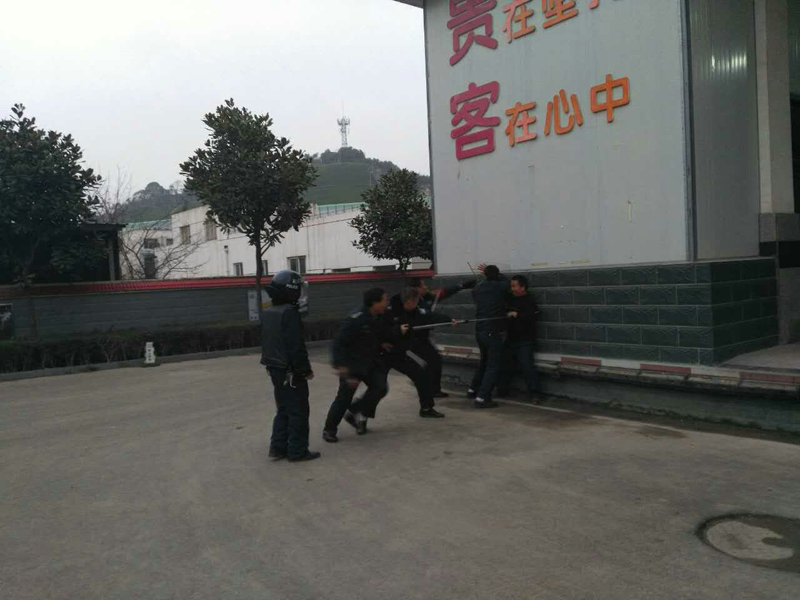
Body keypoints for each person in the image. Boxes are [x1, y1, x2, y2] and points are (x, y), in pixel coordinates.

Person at [260, 270, 320, 462]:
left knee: (283, 409)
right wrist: (305, 370)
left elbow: (268, 342)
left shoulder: (269, 311)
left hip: (275, 369)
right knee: (299, 411)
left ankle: (278, 448)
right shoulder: (290, 313)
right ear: (292, 290)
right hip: (291, 371)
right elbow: (296, 347)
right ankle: (297, 451)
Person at [323, 288, 391, 442]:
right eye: (384, 300)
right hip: (351, 364)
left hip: (369, 362)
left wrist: (381, 343)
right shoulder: (355, 319)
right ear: (374, 303)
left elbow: (373, 335)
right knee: (344, 398)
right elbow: (337, 343)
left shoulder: (378, 316)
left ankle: (354, 411)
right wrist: (340, 366)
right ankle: (329, 430)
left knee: (380, 388)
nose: (386, 303)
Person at [384, 286, 458, 418]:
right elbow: (381, 330)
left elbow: (430, 315)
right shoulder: (389, 312)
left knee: (427, 369)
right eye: (416, 302)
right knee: (378, 387)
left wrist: (448, 320)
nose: (418, 304)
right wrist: (397, 330)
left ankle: (427, 406)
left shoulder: (417, 309)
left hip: (414, 343)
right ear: (409, 302)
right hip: (393, 350)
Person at [408, 276, 477, 398]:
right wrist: (448, 320)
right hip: (413, 338)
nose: (426, 287)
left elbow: (443, 292)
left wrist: (462, 286)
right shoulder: (412, 302)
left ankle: (431, 389)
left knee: (433, 361)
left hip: (422, 337)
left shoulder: (426, 297)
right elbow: (428, 315)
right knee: (433, 361)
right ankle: (431, 390)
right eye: (423, 285)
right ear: (416, 289)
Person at [468, 264, 511, 408]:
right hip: (493, 331)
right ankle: (482, 398)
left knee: (484, 361)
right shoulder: (500, 286)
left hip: (480, 330)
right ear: (497, 275)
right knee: (493, 366)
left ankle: (472, 389)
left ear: (485, 275)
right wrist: (499, 276)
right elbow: (508, 284)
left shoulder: (477, 288)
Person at [496, 275, 541, 402]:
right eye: (511, 286)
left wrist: (517, 314)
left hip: (525, 340)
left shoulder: (529, 300)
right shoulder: (510, 298)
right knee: (505, 365)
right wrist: (494, 275)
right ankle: (502, 390)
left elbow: (534, 315)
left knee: (526, 366)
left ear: (523, 287)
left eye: (514, 286)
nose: (512, 288)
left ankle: (535, 394)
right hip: (510, 339)